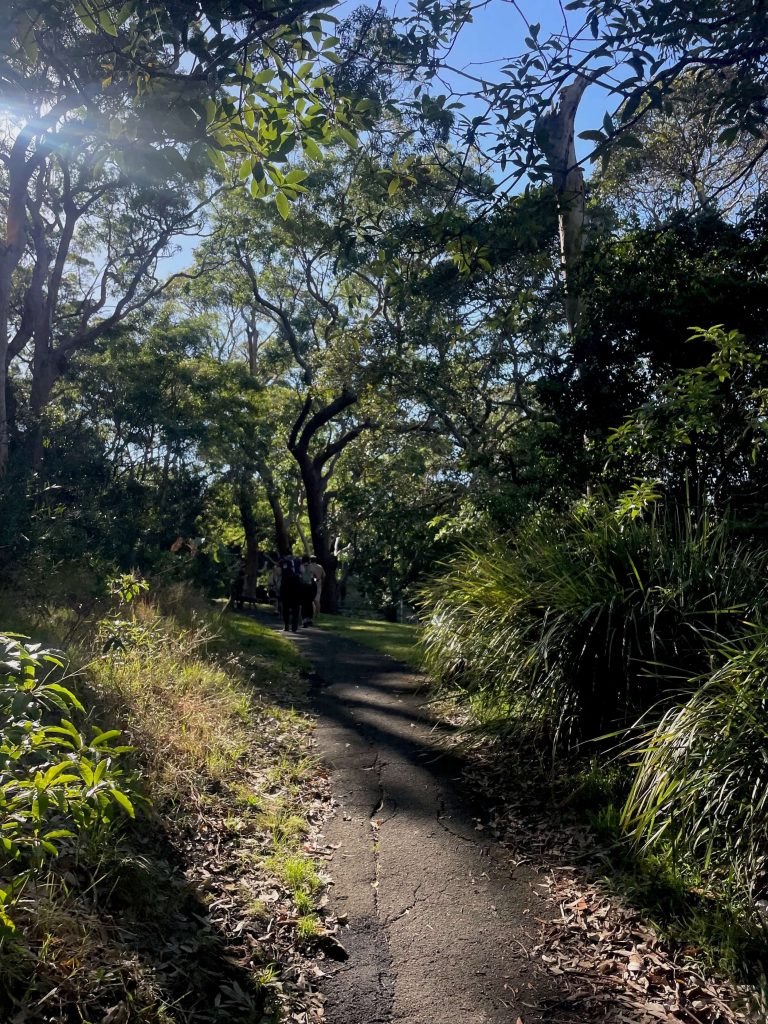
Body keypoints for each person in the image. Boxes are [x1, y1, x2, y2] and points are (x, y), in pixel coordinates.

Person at [279, 557, 302, 632]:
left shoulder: (284, 576)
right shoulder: (296, 576)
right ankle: (294, 627)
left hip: (286, 594)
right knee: (295, 611)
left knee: (285, 610)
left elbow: (282, 587)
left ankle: (286, 626)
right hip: (295, 595)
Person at [300, 556, 317, 627]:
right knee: (310, 603)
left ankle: (304, 620)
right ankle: (310, 619)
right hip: (311, 586)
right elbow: (313, 575)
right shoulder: (312, 566)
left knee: (304, 604)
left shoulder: (301, 566)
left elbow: (301, 574)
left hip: (303, 586)